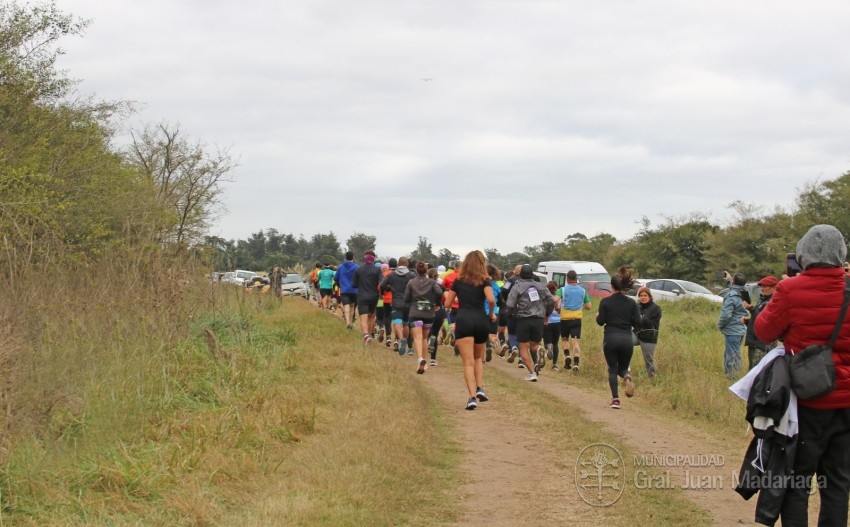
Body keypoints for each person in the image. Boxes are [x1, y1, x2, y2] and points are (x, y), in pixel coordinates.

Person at [755, 224, 850, 526]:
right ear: (841, 254)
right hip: (847, 403)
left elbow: (764, 331)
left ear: (802, 254)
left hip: (805, 402)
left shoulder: (790, 289)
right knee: (837, 483)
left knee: (797, 481)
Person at [442, 250, 497, 410]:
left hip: (464, 319)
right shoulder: (485, 281)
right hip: (481, 320)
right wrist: (491, 314)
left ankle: (472, 397)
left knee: (468, 362)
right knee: (478, 358)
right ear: (482, 264)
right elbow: (491, 299)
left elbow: (447, 304)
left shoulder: (458, 281)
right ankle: (480, 387)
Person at [596, 265, 641, 409]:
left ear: (612, 286)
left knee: (612, 370)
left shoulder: (605, 302)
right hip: (627, 339)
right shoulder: (632, 302)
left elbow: (600, 321)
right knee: (622, 369)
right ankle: (627, 377)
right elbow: (638, 323)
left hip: (610, 338)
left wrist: (598, 316)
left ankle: (615, 399)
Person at [506, 264, 555, 382]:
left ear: (520, 274)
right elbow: (551, 300)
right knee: (534, 344)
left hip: (523, 319)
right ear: (532, 274)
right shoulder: (541, 286)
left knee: (523, 347)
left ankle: (532, 372)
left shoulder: (517, 286)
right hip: (538, 319)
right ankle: (540, 349)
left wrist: (510, 314)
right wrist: (547, 314)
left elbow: (510, 304)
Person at [404, 261, 443, 374]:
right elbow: (439, 292)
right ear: (426, 271)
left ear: (416, 270)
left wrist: (410, 303)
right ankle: (424, 362)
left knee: (417, 337)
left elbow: (406, 298)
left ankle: (420, 359)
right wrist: (437, 303)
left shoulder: (411, 282)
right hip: (428, 314)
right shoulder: (431, 282)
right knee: (425, 338)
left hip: (415, 313)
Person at [557, 270, 592, 372]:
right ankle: (576, 363)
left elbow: (555, 300)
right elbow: (589, 306)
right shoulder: (582, 291)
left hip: (565, 319)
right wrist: (581, 305)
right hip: (577, 319)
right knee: (575, 342)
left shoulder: (562, 290)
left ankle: (567, 355)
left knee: (564, 340)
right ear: (576, 279)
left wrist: (557, 308)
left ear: (567, 279)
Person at [718, 271, 749, 379]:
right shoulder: (744, 292)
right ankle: (736, 375)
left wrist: (720, 325)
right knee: (735, 352)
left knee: (732, 355)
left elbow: (726, 315)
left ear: (735, 281)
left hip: (732, 330)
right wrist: (729, 279)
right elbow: (735, 287)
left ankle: (733, 377)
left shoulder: (731, 296)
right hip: (740, 328)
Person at [381, 256, 414, 355]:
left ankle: (401, 340)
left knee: (397, 322)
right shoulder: (411, 275)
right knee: (406, 324)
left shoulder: (392, 275)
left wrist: (389, 288)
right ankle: (405, 342)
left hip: (396, 302)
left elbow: (382, 285)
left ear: (398, 264)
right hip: (408, 303)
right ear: (407, 264)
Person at [744, 275, 777, 369]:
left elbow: (764, 318)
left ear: (773, 288)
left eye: (765, 286)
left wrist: (750, 308)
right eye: (761, 286)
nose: (762, 289)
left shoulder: (774, 302)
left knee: (758, 371)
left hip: (763, 343)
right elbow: (759, 319)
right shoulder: (763, 300)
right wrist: (748, 322)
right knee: (752, 370)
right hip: (755, 341)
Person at [354, 251, 383, 344]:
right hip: (374, 297)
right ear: (373, 259)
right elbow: (382, 282)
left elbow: (353, 284)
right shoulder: (377, 270)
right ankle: (370, 334)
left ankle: (366, 335)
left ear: (364, 259)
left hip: (362, 296)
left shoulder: (359, 270)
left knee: (363, 318)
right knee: (371, 316)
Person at [634, 286, 662, 378]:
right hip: (637, 334)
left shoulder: (655, 308)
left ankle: (652, 378)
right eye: (641, 295)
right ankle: (624, 370)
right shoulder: (637, 307)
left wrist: (642, 319)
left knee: (648, 359)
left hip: (649, 337)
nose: (642, 297)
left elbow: (653, 324)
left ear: (650, 297)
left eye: (645, 295)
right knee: (623, 342)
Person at [334, 251, 359, 329]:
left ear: (345, 257)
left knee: (346, 305)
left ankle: (347, 322)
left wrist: (340, 284)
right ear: (353, 257)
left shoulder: (340, 267)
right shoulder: (357, 267)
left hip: (344, 289)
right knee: (352, 306)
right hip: (354, 290)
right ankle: (351, 322)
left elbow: (335, 278)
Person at [543, 281, 562, 371]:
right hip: (558, 322)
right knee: (556, 344)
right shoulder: (559, 298)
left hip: (547, 321)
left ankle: (548, 347)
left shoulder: (545, 297)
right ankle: (555, 364)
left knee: (547, 342)